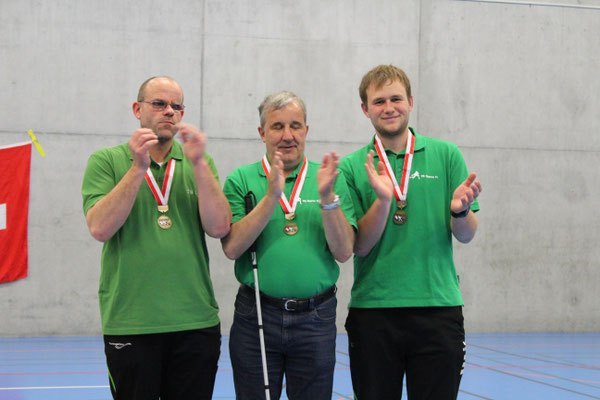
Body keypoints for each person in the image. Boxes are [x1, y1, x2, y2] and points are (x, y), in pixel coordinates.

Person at [81, 76, 231, 400]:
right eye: (159, 104)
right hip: (132, 322)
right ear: (138, 109)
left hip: (195, 321)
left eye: (176, 106)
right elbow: (99, 228)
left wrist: (200, 165)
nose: (169, 112)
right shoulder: (107, 161)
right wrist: (138, 168)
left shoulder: (198, 162)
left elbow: (219, 228)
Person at [339, 65, 482, 399]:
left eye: (395, 98)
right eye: (378, 102)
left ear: (411, 101)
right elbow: (359, 247)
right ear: (365, 109)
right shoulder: (352, 166)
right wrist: (384, 200)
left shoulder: (446, 155)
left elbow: (466, 234)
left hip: (438, 309)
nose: (389, 107)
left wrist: (460, 211)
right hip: (373, 312)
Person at [221, 91, 356, 399]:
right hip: (256, 314)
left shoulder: (330, 179)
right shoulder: (241, 179)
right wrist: (270, 198)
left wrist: (327, 200)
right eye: (277, 126)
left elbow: (344, 251)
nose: (287, 135)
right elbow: (232, 248)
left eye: (295, 126)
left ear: (306, 130)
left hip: (316, 317)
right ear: (262, 133)